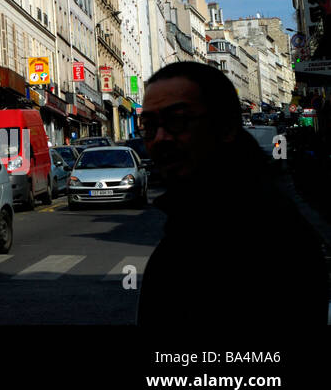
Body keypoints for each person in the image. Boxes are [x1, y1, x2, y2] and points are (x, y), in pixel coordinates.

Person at [137, 61, 328, 327]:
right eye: (148, 125)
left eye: (177, 121)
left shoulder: (260, 232)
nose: (159, 138)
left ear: (225, 127)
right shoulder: (199, 217)